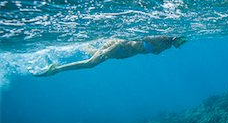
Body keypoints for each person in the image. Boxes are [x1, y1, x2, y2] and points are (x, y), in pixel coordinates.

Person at [34, 36, 187, 77]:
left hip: (123, 54)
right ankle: (55, 70)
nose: (182, 45)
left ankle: (80, 42)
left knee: (93, 55)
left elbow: (152, 51)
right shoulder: (162, 39)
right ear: (176, 37)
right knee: (91, 63)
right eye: (182, 41)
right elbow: (141, 38)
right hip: (120, 46)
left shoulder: (166, 45)